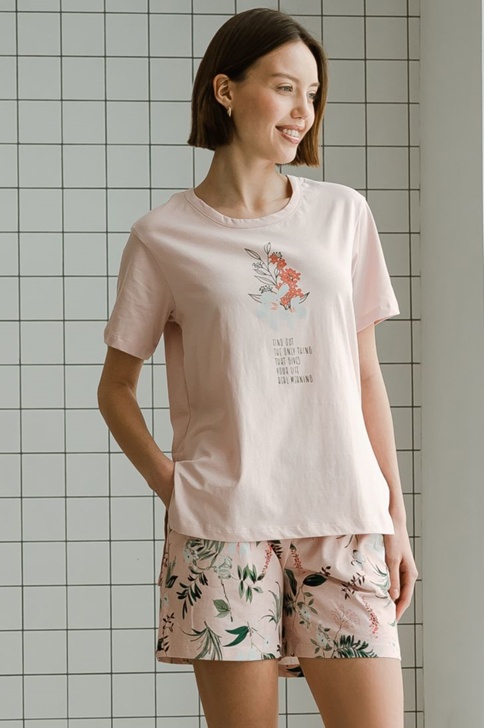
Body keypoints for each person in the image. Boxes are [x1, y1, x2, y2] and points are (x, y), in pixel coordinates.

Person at [98, 8, 418, 728]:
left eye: (313, 93)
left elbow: (366, 377)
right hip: (224, 528)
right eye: (284, 87)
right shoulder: (163, 237)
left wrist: (395, 520)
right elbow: (115, 389)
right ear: (226, 90)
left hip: (345, 521)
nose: (304, 111)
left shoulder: (343, 215)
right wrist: (176, 486)